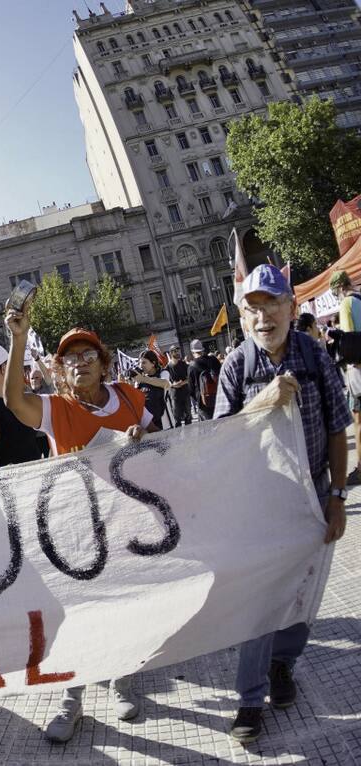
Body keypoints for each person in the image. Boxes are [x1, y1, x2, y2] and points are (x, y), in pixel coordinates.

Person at [2, 311, 155, 743]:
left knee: (126, 607)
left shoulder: (129, 398)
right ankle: (73, 700)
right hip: (77, 531)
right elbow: (14, 401)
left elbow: (163, 445)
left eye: (88, 354)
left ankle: (121, 682)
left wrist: (143, 440)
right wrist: (18, 339)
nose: (80, 362)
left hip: (128, 525)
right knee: (77, 616)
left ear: (103, 362)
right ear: (60, 369)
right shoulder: (57, 409)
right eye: (70, 357)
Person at [214, 264, 349, 743]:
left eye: (272, 303)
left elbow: (338, 426)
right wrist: (263, 401)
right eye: (253, 307)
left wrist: (336, 497)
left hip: (312, 495)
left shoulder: (314, 353)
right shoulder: (236, 366)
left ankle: (282, 665)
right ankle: (250, 699)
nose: (263, 315)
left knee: (301, 593)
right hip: (258, 502)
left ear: (291, 307)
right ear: (244, 317)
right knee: (259, 602)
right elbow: (220, 441)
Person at [329, 270, 361, 485]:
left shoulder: (347, 304)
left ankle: (360, 469)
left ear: (339, 288)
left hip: (358, 370)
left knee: (358, 420)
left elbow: (350, 344)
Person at [132, 350, 171, 429]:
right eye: (140, 363)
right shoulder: (140, 380)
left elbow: (165, 383)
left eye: (144, 363)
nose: (141, 365)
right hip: (148, 425)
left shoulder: (163, 373)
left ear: (153, 363)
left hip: (164, 423)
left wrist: (143, 379)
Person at [187, 339, 221, 422]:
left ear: (192, 352)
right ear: (202, 349)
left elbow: (191, 390)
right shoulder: (214, 360)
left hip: (203, 404)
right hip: (219, 399)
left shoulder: (191, 367)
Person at [166, 344, 192, 427]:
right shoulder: (167, 368)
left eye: (177, 351)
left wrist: (182, 383)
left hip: (185, 394)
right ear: (171, 353)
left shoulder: (184, 364)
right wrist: (173, 384)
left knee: (188, 417)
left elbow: (190, 378)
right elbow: (165, 382)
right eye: (174, 351)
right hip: (175, 396)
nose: (177, 352)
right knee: (177, 420)